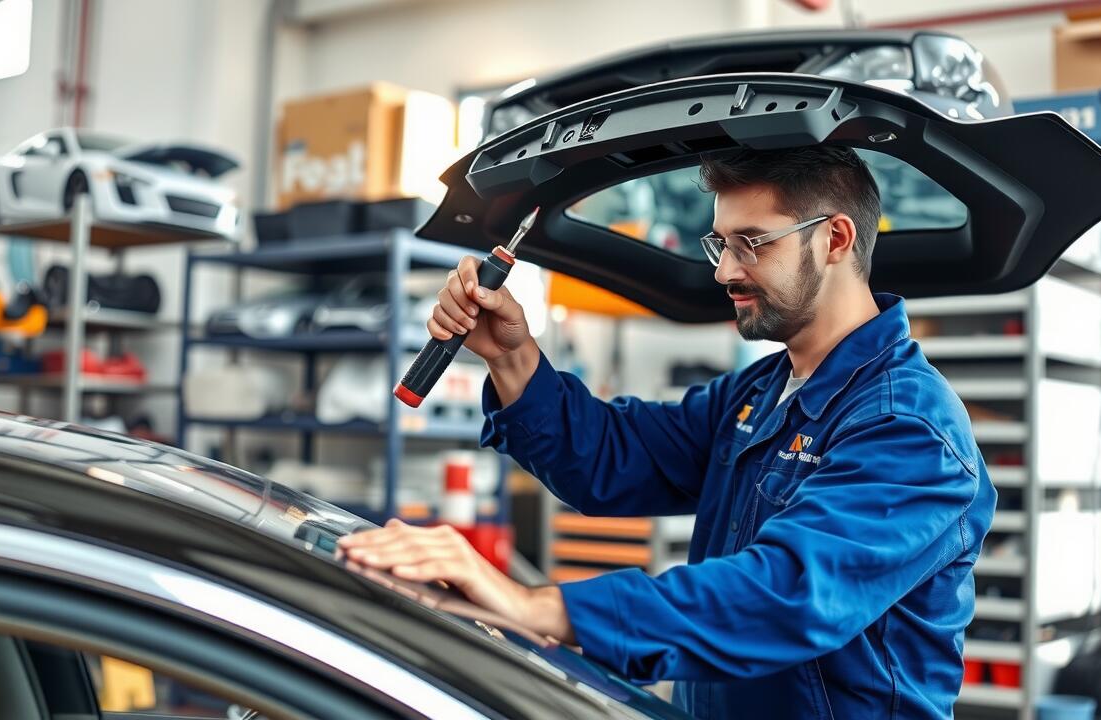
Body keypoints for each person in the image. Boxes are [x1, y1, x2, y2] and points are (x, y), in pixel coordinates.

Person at [338, 144, 996, 719]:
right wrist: (512, 355)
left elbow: (785, 595)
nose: (724, 271)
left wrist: (535, 606)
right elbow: (614, 460)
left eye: (753, 243)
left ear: (836, 239)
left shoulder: (908, 427)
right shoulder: (760, 392)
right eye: (721, 243)